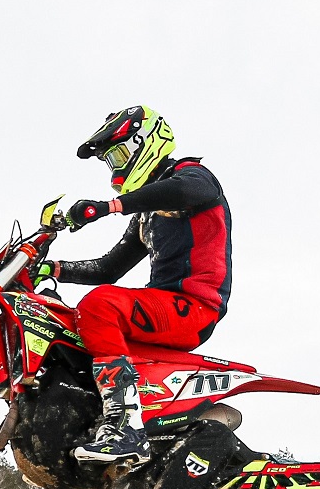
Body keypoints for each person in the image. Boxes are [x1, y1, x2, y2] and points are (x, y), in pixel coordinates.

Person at [32, 106, 233, 465]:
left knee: (99, 305)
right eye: (111, 161)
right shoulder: (147, 214)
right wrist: (52, 268)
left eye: (120, 155)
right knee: (72, 326)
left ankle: (125, 429)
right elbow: (108, 268)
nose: (116, 168)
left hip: (195, 307)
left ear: (147, 141)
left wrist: (108, 207)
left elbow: (183, 191)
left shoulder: (193, 177)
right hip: (166, 308)